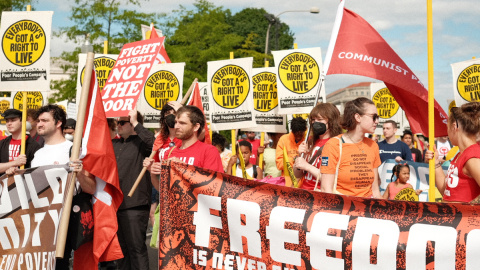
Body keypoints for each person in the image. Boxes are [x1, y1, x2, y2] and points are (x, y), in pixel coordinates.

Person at [28, 104, 95, 269]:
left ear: (58, 123)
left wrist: (79, 173)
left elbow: (91, 188)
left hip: (64, 219)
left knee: (60, 264)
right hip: (41, 220)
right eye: (38, 121)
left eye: (44, 120)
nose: (39, 124)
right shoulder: (37, 154)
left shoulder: (73, 150)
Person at [113, 108, 154, 270]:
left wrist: (137, 122)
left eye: (123, 122)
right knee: (121, 251)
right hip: (116, 205)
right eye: (117, 122)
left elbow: (154, 142)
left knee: (136, 249)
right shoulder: (114, 143)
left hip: (135, 205)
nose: (119, 125)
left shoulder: (142, 143)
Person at [320, 97, 382, 198]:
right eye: (373, 117)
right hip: (342, 209)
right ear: (358, 117)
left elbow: (375, 191)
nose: (377, 121)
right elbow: (326, 190)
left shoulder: (373, 145)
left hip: (366, 210)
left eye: (378, 117)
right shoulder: (333, 145)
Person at [144, 105, 223, 183]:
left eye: (182, 123)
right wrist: (152, 172)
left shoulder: (209, 151)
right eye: (176, 122)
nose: (176, 126)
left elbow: (215, 185)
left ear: (196, 127)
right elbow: (162, 190)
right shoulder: (170, 152)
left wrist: (184, 168)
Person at [425, 103, 480, 203]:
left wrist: (472, 206)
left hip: (464, 218)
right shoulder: (461, 154)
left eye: (447, 127)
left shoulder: (473, 156)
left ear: (454, 127)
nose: (447, 132)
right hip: (453, 217)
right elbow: (446, 192)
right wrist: (435, 162)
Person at [294, 103, 342, 190]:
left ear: (331, 122)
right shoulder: (309, 141)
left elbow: (333, 179)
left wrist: (307, 166)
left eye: (320, 119)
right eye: (313, 120)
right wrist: (299, 156)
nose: (315, 123)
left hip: (320, 194)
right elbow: (297, 174)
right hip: (305, 193)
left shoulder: (337, 144)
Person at [0, 109, 41, 173]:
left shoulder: (33, 145)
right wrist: (15, 163)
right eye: (7, 121)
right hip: (4, 182)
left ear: (22, 122)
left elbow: (37, 171)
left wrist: (18, 172)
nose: (9, 124)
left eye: (13, 120)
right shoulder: (2, 143)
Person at [276, 117, 307, 187]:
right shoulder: (283, 140)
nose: (298, 136)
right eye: (296, 133)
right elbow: (279, 164)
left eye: (301, 133)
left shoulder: (307, 140)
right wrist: (294, 160)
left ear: (305, 130)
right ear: (292, 131)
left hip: (303, 185)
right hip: (287, 184)